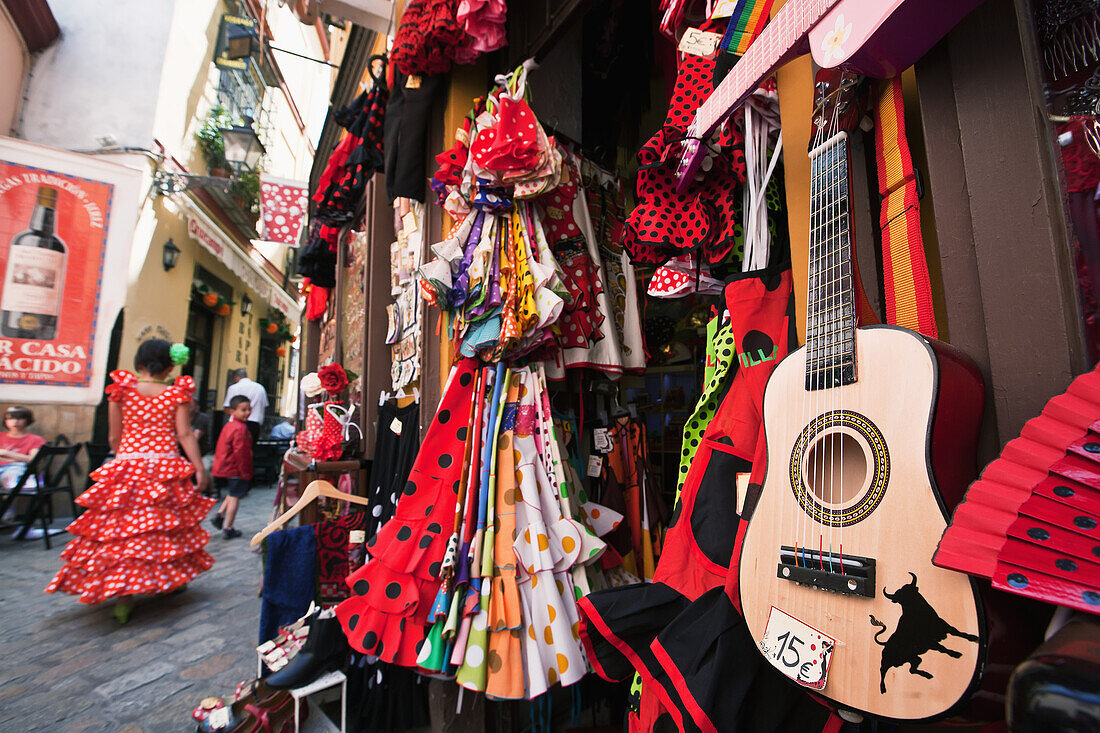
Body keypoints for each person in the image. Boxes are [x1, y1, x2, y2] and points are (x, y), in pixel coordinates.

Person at [45, 339, 214, 624]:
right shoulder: (177, 395)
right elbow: (185, 435)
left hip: (128, 465)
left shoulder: (122, 391)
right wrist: (199, 469)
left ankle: (124, 598)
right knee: (165, 527)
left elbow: (114, 437)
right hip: (165, 467)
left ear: (139, 364)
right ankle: (173, 580)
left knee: (124, 531)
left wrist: (125, 455)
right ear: (171, 366)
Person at [211, 395, 253, 540]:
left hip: (225, 465)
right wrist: (245, 472)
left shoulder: (230, 426)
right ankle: (228, 527)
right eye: (243, 410)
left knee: (232, 492)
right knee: (235, 496)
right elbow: (240, 453)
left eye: (249, 409)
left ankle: (220, 514)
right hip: (234, 467)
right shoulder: (240, 428)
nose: (247, 412)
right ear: (232, 411)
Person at [0, 405, 46, 490]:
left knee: (9, 480)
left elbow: (33, 459)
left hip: (15, 468)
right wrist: (20, 458)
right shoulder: (1, 436)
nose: (15, 422)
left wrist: (6, 453)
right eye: (10, 419)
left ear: (27, 420)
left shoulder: (34, 439)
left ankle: (9, 503)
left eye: (20, 418)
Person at [223, 369, 268, 443]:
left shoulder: (234, 388)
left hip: (237, 424)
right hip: (255, 424)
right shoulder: (260, 388)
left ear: (236, 378)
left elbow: (227, 408)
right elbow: (264, 407)